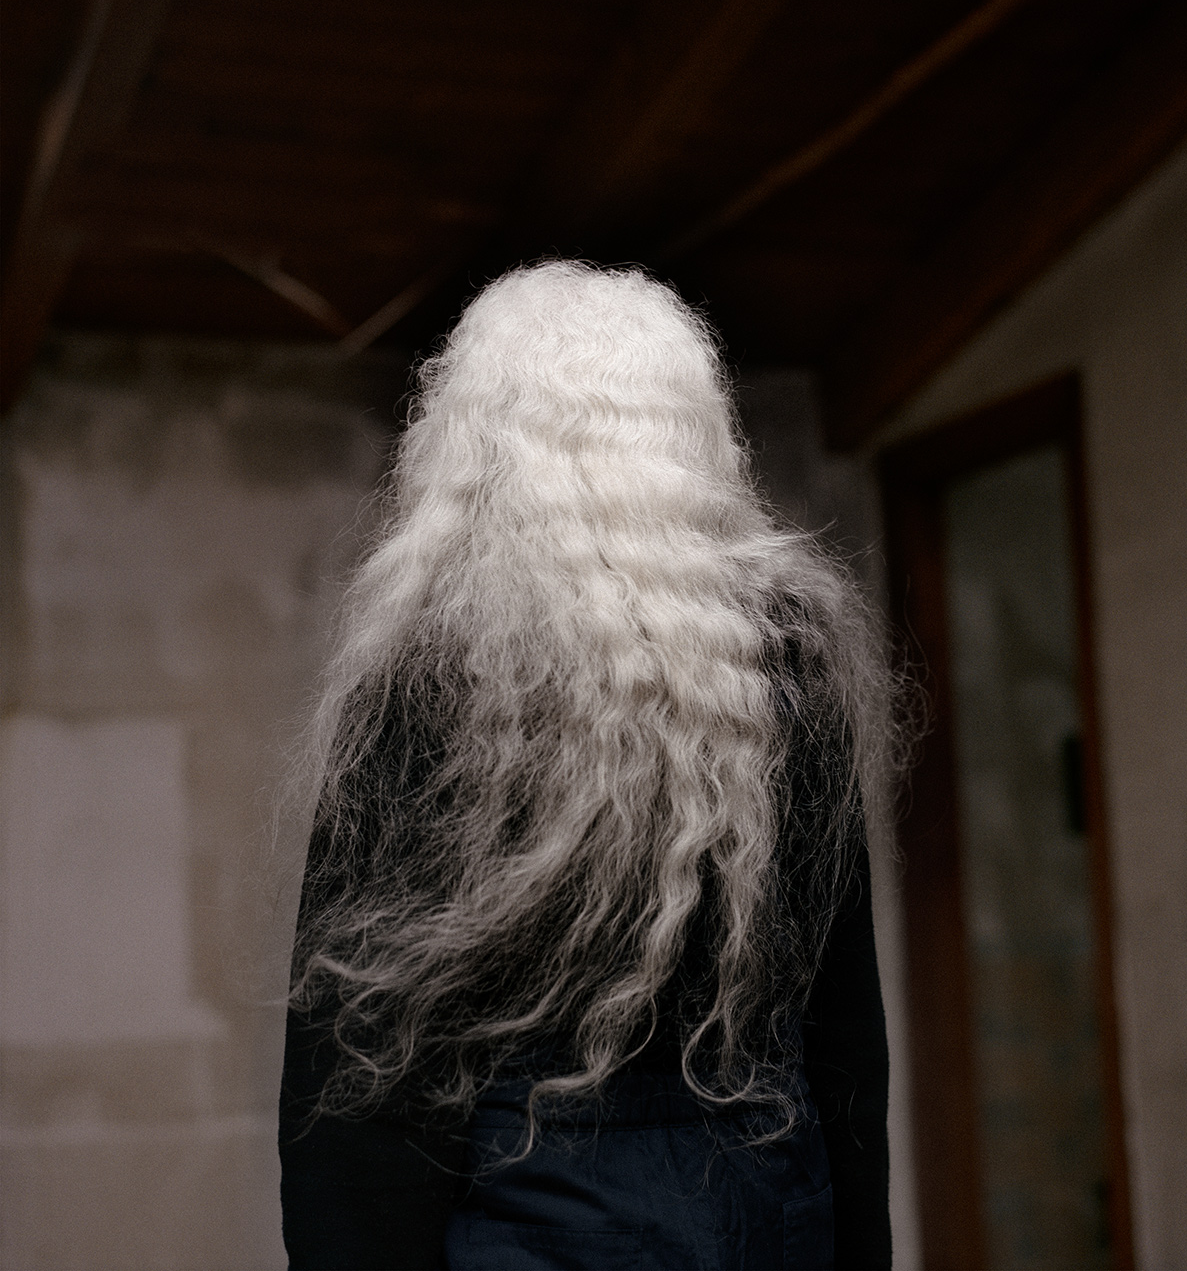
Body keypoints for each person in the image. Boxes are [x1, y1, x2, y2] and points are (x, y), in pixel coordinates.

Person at [279, 262, 899, 1270]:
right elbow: (845, 1040)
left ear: (473, 447)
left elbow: (360, 1071)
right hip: (773, 1217)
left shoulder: (427, 685)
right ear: (693, 441)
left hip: (540, 1228)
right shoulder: (791, 670)